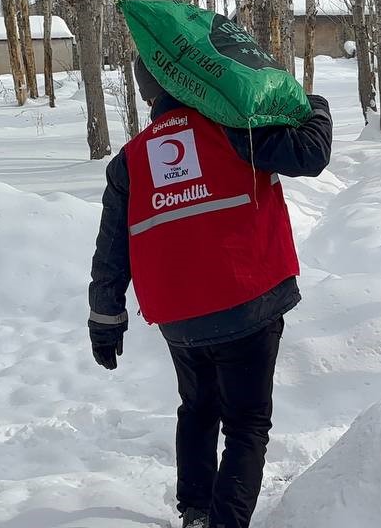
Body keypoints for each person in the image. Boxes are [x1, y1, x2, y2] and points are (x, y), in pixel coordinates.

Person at [88, 57, 333, 528]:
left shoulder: (130, 161)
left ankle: (197, 512)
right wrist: (314, 105)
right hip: (249, 303)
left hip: (180, 318)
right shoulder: (236, 129)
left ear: (148, 96)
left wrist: (105, 319)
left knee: (198, 408)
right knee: (246, 424)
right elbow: (310, 155)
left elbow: (111, 250)